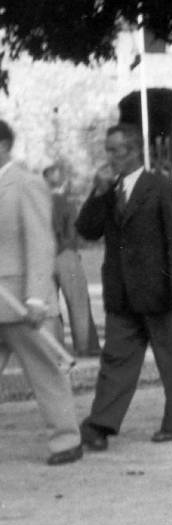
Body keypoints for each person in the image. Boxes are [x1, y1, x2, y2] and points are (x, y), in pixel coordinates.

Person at [76, 123, 172, 449]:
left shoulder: (161, 186)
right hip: (121, 292)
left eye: (117, 150)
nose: (110, 157)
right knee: (115, 361)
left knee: (169, 359)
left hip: (159, 291)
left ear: (135, 150)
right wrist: (97, 193)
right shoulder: (108, 190)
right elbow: (87, 230)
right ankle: (100, 425)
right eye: (108, 150)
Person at [0, 121, 83, 465]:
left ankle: (66, 440)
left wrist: (36, 298)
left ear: (3, 144)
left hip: (23, 302)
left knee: (45, 370)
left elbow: (40, 242)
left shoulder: (26, 183)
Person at [42, 164, 100, 357]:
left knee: (51, 306)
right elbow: (72, 232)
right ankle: (85, 346)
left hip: (44, 256)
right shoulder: (67, 203)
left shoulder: (39, 203)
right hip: (66, 254)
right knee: (78, 302)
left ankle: (55, 346)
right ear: (63, 182)